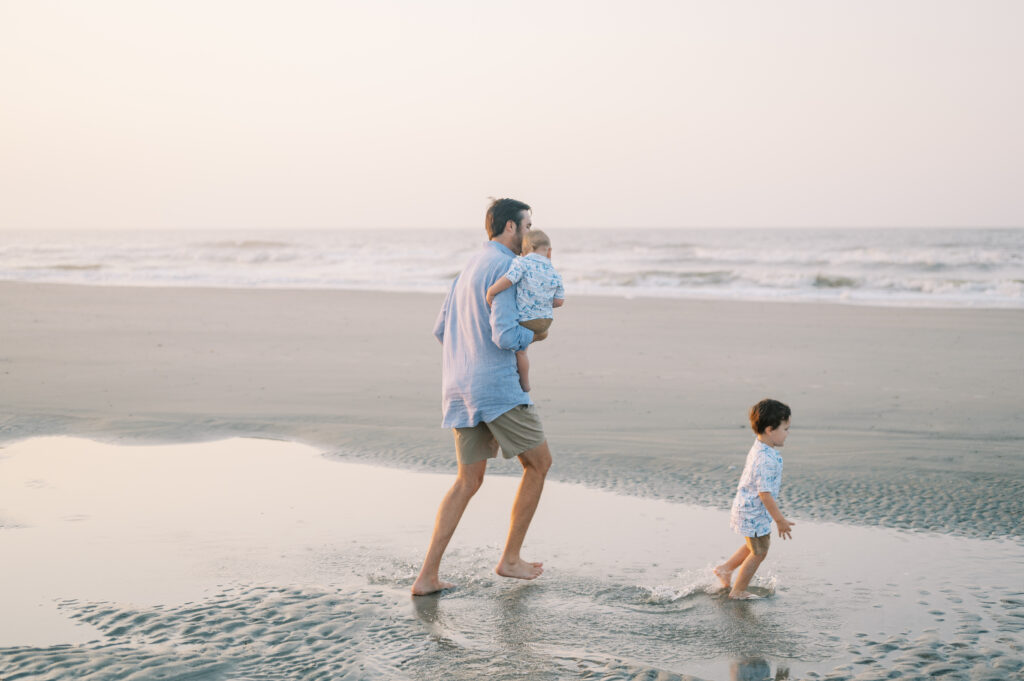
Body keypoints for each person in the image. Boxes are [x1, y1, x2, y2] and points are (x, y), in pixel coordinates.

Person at [411, 198, 554, 597]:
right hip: (496, 387)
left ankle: (427, 576)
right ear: (511, 227)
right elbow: (506, 336)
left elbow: (441, 329)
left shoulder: (469, 266)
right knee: (539, 463)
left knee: (467, 481)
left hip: (457, 386)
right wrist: (537, 335)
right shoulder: (509, 267)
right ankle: (510, 558)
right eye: (527, 225)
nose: (529, 233)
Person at [713, 398, 795, 600]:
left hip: (749, 508)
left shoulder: (761, 446)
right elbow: (764, 494)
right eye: (785, 429)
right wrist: (780, 520)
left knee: (755, 545)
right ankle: (738, 590)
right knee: (759, 551)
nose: (787, 433)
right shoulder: (765, 458)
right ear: (770, 430)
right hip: (753, 511)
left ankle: (726, 568)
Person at [485, 229, 565, 392]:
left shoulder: (522, 262)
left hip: (526, 320)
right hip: (546, 321)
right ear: (549, 252)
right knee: (526, 347)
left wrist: (492, 291)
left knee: (521, 353)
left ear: (524, 251)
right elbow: (559, 301)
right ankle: (534, 339)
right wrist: (542, 302)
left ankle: (525, 384)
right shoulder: (554, 272)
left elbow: (509, 280)